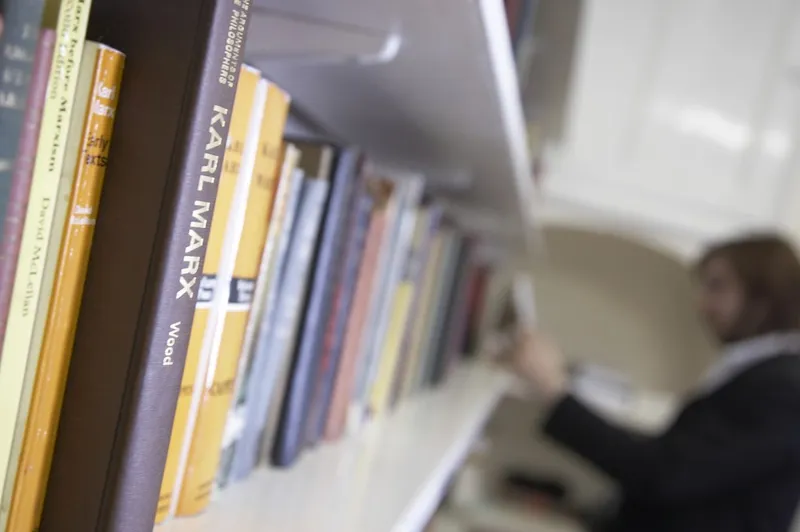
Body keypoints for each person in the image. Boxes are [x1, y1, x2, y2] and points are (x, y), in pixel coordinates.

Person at [511, 233, 800, 532]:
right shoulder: (761, 372)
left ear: (763, 294)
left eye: (717, 287)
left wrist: (554, 389)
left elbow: (666, 474)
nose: (702, 304)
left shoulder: (784, 390)